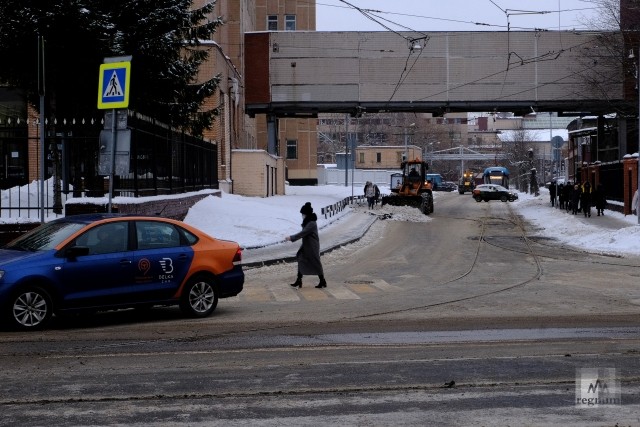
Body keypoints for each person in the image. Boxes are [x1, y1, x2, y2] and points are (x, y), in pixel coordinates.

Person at [285, 202, 327, 289]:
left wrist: (291, 238)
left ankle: (322, 280)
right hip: (306, 245)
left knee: (316, 263)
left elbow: (303, 233)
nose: (302, 215)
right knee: (301, 259)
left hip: (312, 247)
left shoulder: (311, 223)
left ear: (307, 214)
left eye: (303, 214)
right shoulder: (307, 221)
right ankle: (299, 280)